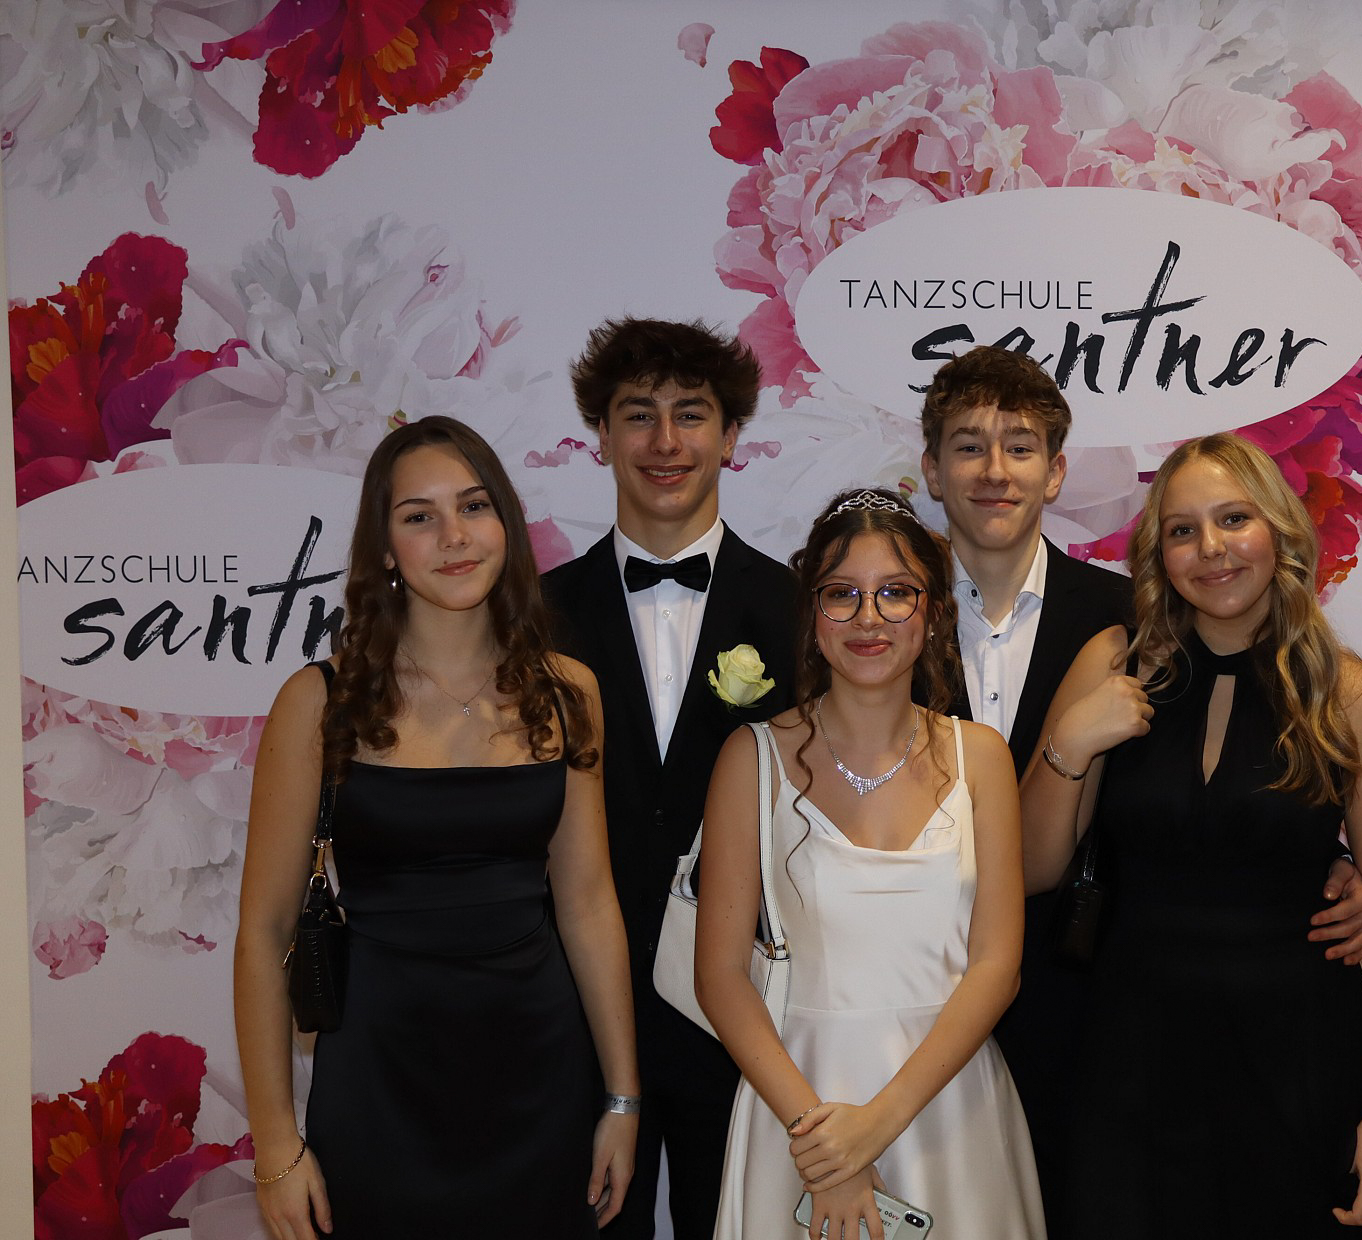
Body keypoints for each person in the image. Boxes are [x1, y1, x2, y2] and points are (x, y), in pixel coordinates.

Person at [917, 346, 1362, 1232]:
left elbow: (1234, 775)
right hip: (908, 990)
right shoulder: (874, 613)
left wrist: (1328, 862)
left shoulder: (1134, 622)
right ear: (932, 471)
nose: (995, 470)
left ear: (1056, 472)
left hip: (1087, 1010)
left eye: (1020, 447)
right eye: (968, 446)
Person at [235, 416, 641, 1240]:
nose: (454, 536)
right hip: (376, 1084)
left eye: (474, 506)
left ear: (505, 525)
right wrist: (275, 1144)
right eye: (419, 516)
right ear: (384, 548)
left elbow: (590, 903)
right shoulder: (319, 702)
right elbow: (263, 933)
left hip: (542, 1078)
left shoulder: (568, 693)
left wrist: (623, 1099)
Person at [1019, 432, 1362, 1236]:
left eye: (1234, 518)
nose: (1211, 547)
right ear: (1159, 553)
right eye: (1183, 529)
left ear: (1278, 530)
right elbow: (1034, 868)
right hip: (1127, 1073)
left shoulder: (1348, 695)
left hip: (1299, 1074)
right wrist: (1068, 743)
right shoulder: (1116, 665)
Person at [696, 488, 1045, 1240]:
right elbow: (720, 978)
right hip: (799, 1106)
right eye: (842, 594)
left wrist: (879, 1124)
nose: (868, 618)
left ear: (933, 612)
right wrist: (826, 1146)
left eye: (895, 592)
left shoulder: (981, 757)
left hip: (948, 1100)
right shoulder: (751, 759)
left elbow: (997, 966)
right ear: (811, 614)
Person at [543, 318, 799, 1239]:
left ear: (731, 437)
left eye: (690, 415)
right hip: (573, 1012)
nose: (664, 442)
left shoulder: (804, 612)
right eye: (637, 414)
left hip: (744, 1011)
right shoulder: (533, 618)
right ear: (600, 435)